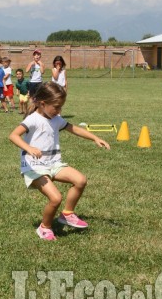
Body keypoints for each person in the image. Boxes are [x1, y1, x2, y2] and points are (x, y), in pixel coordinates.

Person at [9, 82, 111, 241]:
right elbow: (13, 135)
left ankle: (67, 214)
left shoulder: (56, 118)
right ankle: (45, 227)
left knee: (80, 180)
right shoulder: (33, 119)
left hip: (53, 163)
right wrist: (28, 148)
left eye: (61, 107)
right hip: (34, 167)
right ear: (42, 104)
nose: (59, 111)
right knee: (55, 198)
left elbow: (74, 129)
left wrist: (95, 138)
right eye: (56, 107)